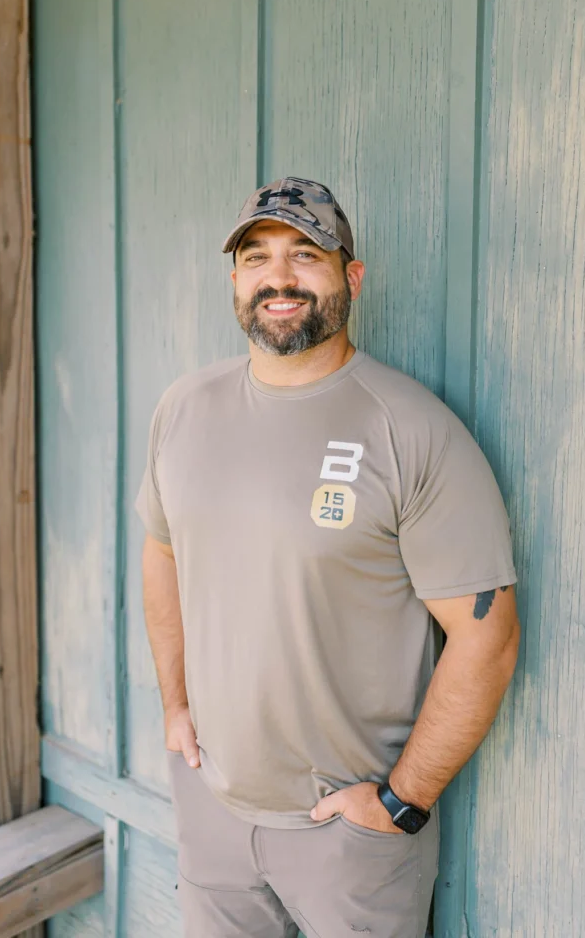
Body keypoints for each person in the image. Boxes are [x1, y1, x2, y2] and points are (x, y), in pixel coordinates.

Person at [136, 177, 520, 938]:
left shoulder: (408, 429)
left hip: (350, 835)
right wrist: (176, 707)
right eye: (256, 257)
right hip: (211, 804)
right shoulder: (185, 406)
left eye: (305, 255)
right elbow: (162, 553)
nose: (278, 277)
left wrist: (401, 800)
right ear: (237, 279)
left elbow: (488, 634)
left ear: (351, 277)